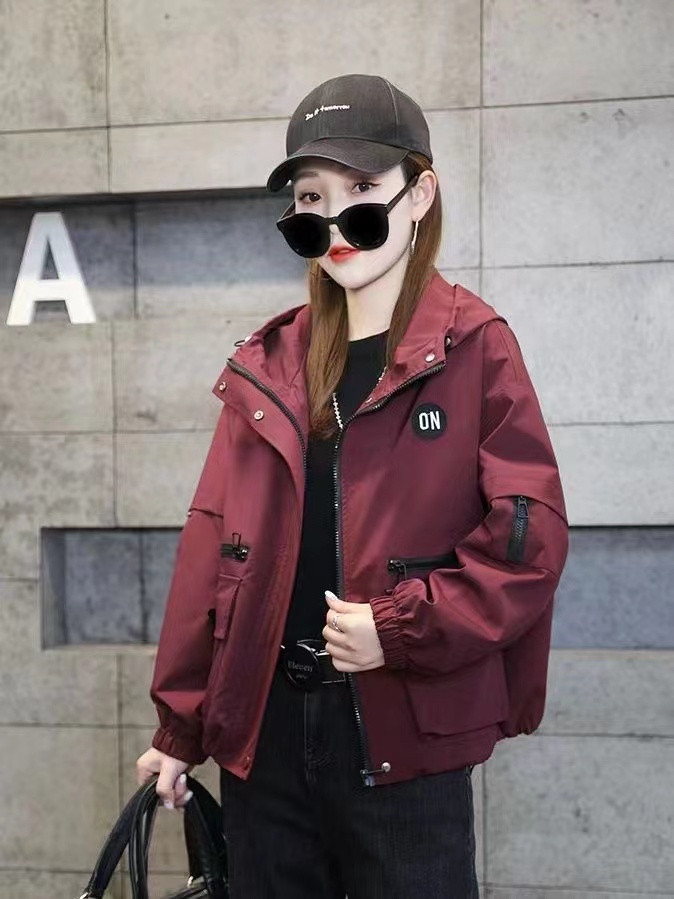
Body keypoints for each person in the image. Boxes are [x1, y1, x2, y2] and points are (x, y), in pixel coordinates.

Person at [135, 73, 569, 898]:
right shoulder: (268, 365)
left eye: (362, 189)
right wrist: (180, 727)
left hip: (403, 742)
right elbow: (213, 549)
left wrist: (398, 628)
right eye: (312, 197)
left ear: (419, 194)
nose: (335, 222)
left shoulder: (476, 347)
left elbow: (528, 539)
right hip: (262, 741)